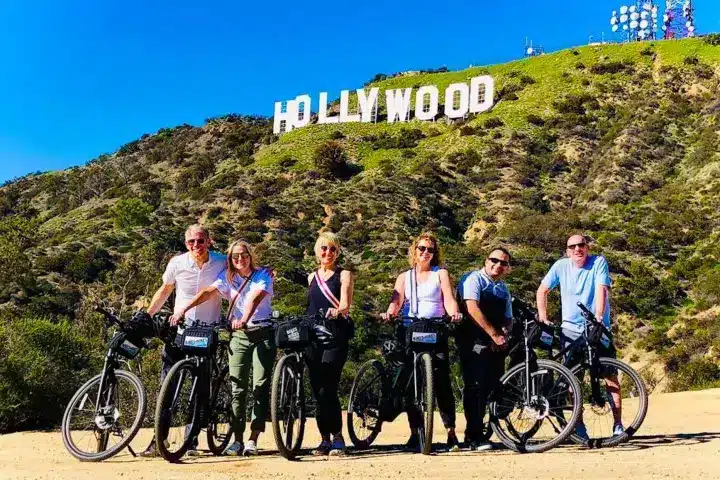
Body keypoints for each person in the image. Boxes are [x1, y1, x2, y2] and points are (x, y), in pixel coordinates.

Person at [171, 240, 276, 456]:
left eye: (244, 255)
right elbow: (209, 292)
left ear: (250, 255)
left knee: (260, 385)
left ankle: (253, 437)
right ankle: (237, 438)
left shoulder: (263, 274)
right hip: (238, 336)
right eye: (235, 256)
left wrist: (245, 318)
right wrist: (184, 309)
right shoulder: (228, 277)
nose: (240, 259)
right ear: (230, 258)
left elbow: (256, 297)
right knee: (237, 387)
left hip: (262, 333)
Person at [141, 224, 225, 457]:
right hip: (180, 328)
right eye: (191, 242)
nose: (196, 246)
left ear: (209, 241)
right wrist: (146, 317)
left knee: (201, 388)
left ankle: (192, 439)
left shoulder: (222, 261)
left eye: (200, 241)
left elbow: (244, 271)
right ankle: (160, 439)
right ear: (185, 243)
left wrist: (265, 271)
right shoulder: (177, 263)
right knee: (167, 384)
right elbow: (165, 290)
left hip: (207, 331)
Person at [536, 234, 622, 440]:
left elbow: (602, 289)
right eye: (572, 246)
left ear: (587, 247)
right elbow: (542, 290)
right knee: (574, 378)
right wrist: (544, 317)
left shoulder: (598, 262)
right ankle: (579, 426)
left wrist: (599, 317)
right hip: (570, 330)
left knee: (609, 375)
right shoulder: (560, 266)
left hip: (598, 327)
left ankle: (618, 424)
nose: (577, 249)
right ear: (567, 251)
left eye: (581, 245)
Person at [382, 232, 462, 452]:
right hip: (410, 328)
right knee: (410, 385)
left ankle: (451, 433)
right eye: (422, 248)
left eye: (430, 249)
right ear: (414, 251)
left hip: (435, 328)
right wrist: (389, 313)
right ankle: (416, 432)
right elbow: (395, 301)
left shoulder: (441, 274)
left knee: (442, 381)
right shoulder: (404, 277)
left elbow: (449, 299)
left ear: (435, 254)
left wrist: (454, 314)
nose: (426, 252)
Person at [456, 247, 513, 452]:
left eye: (503, 263)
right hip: (472, 341)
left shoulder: (503, 289)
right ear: (486, 260)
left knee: (492, 386)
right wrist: (495, 335)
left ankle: (486, 431)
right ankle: (472, 436)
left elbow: (508, 318)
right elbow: (472, 308)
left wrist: (504, 336)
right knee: (475, 387)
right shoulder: (474, 279)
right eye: (494, 260)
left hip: (494, 343)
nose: (498, 265)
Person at [306, 231, 355, 456]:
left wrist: (339, 310)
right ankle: (324, 438)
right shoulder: (311, 277)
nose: (328, 253)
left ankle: (337, 436)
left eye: (332, 249)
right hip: (314, 335)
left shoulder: (344, 274)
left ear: (338, 251)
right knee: (317, 388)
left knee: (329, 384)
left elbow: (345, 302)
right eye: (324, 248)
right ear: (317, 251)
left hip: (336, 334)